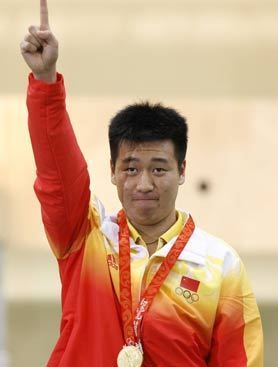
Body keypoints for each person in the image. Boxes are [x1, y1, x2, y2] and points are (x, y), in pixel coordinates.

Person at [20, 1, 263, 366]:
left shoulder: (220, 265)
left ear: (182, 171)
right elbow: (56, 174)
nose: (144, 183)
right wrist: (46, 82)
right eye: (131, 168)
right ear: (113, 172)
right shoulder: (85, 239)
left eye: (159, 169)